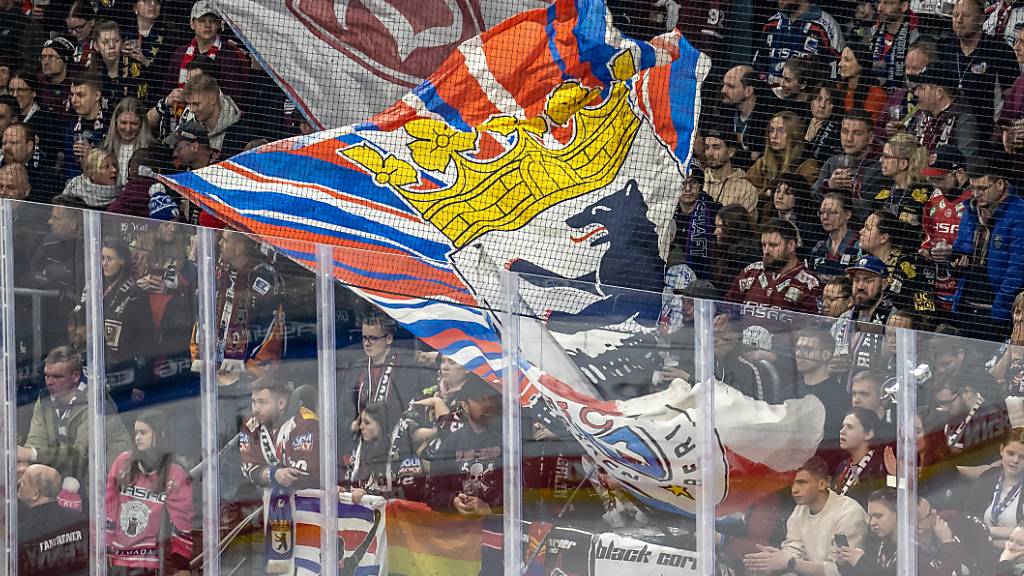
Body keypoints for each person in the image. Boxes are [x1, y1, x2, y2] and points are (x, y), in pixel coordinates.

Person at [239, 374, 320, 573]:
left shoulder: (306, 422)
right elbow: (247, 467)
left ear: (281, 403)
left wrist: (267, 474)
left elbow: (303, 471)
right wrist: (273, 474)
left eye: (262, 402)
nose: (255, 409)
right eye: (253, 402)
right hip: (267, 512)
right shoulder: (251, 425)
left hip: (307, 512)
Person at [17, 346, 133, 483]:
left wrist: (31, 454)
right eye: (46, 375)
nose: (49, 382)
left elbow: (81, 456)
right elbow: (36, 442)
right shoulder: (44, 399)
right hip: (69, 479)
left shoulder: (97, 402)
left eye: (57, 376)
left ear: (76, 376)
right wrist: (27, 466)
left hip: (105, 483)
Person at [743, 456, 868, 576]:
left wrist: (790, 563)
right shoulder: (801, 508)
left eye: (801, 483)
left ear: (823, 484)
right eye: (792, 484)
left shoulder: (849, 514)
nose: (794, 490)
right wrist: (775, 558)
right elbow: (794, 549)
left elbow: (841, 571)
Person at [190, 230, 285, 384]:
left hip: (252, 373)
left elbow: (266, 327)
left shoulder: (263, 276)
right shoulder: (219, 271)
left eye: (225, 240)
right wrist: (201, 357)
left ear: (239, 248)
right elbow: (201, 315)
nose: (220, 243)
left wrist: (242, 365)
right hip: (214, 365)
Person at [338, 313, 429, 473]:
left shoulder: (407, 367)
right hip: (361, 450)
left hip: (396, 450)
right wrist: (353, 425)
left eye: (373, 338)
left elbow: (416, 409)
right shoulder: (356, 370)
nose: (366, 344)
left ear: (388, 339)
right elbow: (342, 413)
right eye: (364, 338)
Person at [105, 410, 193, 576]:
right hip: (117, 557)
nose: (137, 437)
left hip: (150, 561)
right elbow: (109, 506)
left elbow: (181, 522)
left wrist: (182, 566)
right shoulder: (123, 463)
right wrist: (104, 546)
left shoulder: (175, 474)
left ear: (160, 434)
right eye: (136, 433)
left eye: (143, 433)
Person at [952, 152, 1024, 341]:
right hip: (966, 307)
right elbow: (961, 247)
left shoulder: (1019, 214)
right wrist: (955, 261)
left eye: (982, 188)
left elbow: (1017, 270)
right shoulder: (971, 209)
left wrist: (999, 311)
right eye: (972, 188)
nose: (976, 194)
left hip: (997, 315)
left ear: (1000, 184)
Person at [938, 0, 1018, 140]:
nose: (959, 20)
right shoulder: (947, 50)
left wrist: (1000, 130)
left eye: (966, 15)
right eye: (955, 15)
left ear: (981, 19)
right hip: (949, 133)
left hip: (987, 136)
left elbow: (1012, 99)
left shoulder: (1000, 51)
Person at [426, 374, 503, 518]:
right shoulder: (450, 444)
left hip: (499, 531)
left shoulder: (508, 441)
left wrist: (493, 511)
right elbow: (432, 494)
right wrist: (453, 501)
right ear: (465, 405)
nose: (488, 404)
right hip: (461, 533)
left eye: (490, 398)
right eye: (480, 399)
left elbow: (523, 493)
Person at [726, 217, 822, 313]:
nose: (767, 251)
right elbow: (727, 308)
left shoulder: (808, 283)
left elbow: (811, 326)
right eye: (764, 245)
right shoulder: (750, 272)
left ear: (791, 245)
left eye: (773, 245)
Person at [164, 0, 248, 101]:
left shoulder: (229, 58)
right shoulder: (180, 53)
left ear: (218, 24)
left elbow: (233, 99)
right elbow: (166, 90)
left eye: (212, 21)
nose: (207, 25)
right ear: (192, 24)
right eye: (202, 20)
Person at [920, 146, 971, 311]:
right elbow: (928, 231)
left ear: (960, 174)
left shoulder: (974, 201)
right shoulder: (934, 197)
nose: (936, 185)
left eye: (940, 179)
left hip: (964, 288)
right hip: (937, 286)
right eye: (932, 180)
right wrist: (926, 249)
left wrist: (960, 253)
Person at [859, 210, 937, 317]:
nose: (860, 231)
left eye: (867, 228)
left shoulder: (912, 266)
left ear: (884, 238)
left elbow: (926, 311)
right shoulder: (862, 263)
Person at [754, 0, 845, 89]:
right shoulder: (771, 24)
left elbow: (838, 65)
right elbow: (759, 64)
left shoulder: (825, 26)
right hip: (771, 99)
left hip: (809, 99)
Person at [16, 463, 88, 576]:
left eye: (24, 482)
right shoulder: (80, 521)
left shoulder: (22, 534)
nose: (19, 482)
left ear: (35, 494)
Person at [814, 110, 885, 220]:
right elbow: (810, 201)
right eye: (845, 131)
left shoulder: (881, 168)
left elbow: (867, 212)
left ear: (870, 138)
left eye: (857, 133)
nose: (849, 139)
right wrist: (828, 185)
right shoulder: (832, 162)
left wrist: (849, 191)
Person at [905, 62, 980, 162]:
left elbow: (967, 164)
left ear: (939, 93)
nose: (916, 93)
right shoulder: (920, 116)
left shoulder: (964, 121)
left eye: (921, 88)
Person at [795, 329, 849, 468]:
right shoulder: (789, 391)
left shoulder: (839, 397)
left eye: (807, 349)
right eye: (798, 348)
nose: (799, 354)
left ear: (826, 355)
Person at [964, 428, 1024, 548]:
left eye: (1022, 457)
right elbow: (968, 520)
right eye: (1011, 453)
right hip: (982, 550)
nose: (1015, 460)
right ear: (1002, 450)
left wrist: (989, 532)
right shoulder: (988, 477)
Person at [747, 111, 820, 204]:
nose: (774, 136)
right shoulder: (764, 161)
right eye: (771, 130)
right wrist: (765, 193)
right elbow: (746, 185)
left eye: (781, 131)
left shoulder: (807, 164)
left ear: (794, 134)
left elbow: (801, 196)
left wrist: (767, 193)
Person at [933, 378, 1010, 465]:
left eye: (948, 402)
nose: (944, 409)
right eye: (940, 403)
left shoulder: (992, 421)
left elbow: (993, 468)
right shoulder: (951, 415)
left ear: (966, 393)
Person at [174, 73, 247, 158]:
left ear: (213, 99)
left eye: (196, 104)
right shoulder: (187, 122)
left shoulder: (241, 133)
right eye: (189, 104)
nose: (191, 110)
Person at [668, 167, 719, 279]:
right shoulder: (667, 212)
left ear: (700, 185)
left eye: (693, 183)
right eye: (682, 183)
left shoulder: (714, 211)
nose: (688, 188)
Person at [719, 65, 773, 170]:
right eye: (724, 85)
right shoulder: (723, 112)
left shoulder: (768, 120)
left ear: (748, 91)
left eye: (730, 86)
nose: (723, 90)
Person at [833, 407, 888, 507]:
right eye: (842, 426)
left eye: (849, 427)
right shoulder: (846, 466)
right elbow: (855, 480)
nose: (842, 431)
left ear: (868, 434)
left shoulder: (880, 467)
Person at [63, 70, 109, 182]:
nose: (74, 100)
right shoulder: (72, 126)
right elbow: (69, 166)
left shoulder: (111, 123)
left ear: (97, 95)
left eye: (80, 95)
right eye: (72, 95)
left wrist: (92, 154)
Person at [702, 127, 759, 217]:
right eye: (707, 147)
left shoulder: (746, 189)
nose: (709, 153)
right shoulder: (698, 180)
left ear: (731, 151)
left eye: (716, 148)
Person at [868, 0, 919, 89]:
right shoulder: (873, 31)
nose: (880, 8)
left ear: (904, 6)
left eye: (888, 3)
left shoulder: (916, 37)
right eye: (879, 2)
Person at [101, 97, 153, 185]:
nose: (128, 129)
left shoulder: (152, 151)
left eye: (134, 124)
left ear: (142, 124)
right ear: (115, 121)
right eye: (123, 123)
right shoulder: (103, 149)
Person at [710, 203, 761, 293]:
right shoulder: (728, 249)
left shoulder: (740, 254)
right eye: (716, 226)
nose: (715, 232)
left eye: (720, 227)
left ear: (733, 228)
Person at [2, 122, 58, 202]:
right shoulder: (2, 168)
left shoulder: (47, 177)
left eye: (13, 143)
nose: (6, 147)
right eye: (4, 143)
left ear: (29, 146)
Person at [810, 193, 861, 280]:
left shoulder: (859, 246)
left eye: (832, 212)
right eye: (822, 212)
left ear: (847, 215)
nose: (825, 217)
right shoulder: (818, 248)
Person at [837, 39, 888, 122]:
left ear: (861, 65)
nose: (840, 64)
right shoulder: (838, 89)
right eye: (841, 59)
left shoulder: (877, 95)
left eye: (847, 60)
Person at [989, 291, 1024, 394]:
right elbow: (991, 381)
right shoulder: (1006, 345)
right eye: (1017, 312)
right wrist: (1010, 350)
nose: (1019, 318)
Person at [805, 84, 843, 163]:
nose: (822, 106)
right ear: (812, 103)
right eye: (819, 99)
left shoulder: (838, 129)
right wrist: (807, 140)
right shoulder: (802, 122)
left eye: (828, 102)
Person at [37, 36, 75, 115]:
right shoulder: (37, 84)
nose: (45, 62)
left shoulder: (77, 84)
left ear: (65, 59)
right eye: (43, 57)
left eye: (51, 57)